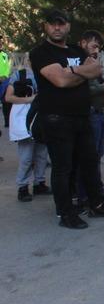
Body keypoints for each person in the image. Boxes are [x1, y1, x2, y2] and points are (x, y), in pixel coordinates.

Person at [28, 8, 104, 229]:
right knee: (63, 168)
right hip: (56, 118)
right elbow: (60, 81)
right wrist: (80, 72)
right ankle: (66, 213)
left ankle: (96, 204)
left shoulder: (74, 50)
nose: (57, 27)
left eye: (61, 23)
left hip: (82, 116)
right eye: (53, 24)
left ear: (68, 26)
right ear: (46, 26)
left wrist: (70, 70)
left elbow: (96, 69)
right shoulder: (41, 52)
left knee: (90, 163)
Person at [76, 31, 104, 203]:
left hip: (98, 112)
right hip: (90, 113)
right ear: (83, 43)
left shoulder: (92, 62)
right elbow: (90, 89)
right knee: (89, 156)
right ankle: (86, 194)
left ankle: (96, 189)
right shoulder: (80, 63)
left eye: (98, 47)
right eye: (94, 46)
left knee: (97, 154)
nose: (96, 50)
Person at [5, 65, 50, 202]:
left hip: (40, 115)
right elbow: (8, 97)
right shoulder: (20, 74)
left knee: (42, 153)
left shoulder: (46, 72)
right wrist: (29, 100)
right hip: (23, 118)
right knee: (27, 156)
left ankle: (39, 183)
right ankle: (23, 187)